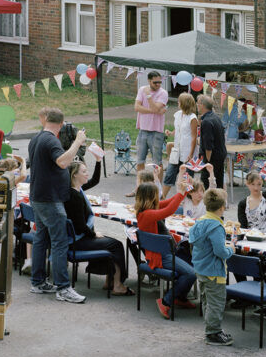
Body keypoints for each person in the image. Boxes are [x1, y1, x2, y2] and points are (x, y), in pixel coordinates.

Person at [28, 107, 88, 304]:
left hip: (38, 196)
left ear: (45, 120)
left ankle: (38, 282)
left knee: (40, 239)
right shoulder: (51, 140)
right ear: (61, 125)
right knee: (59, 243)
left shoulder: (36, 138)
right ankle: (63, 287)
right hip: (50, 200)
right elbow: (62, 162)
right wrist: (77, 142)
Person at [64, 149, 132, 296]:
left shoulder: (77, 189)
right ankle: (118, 284)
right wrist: (94, 233)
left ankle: (110, 281)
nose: (86, 173)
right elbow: (80, 226)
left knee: (110, 242)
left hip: (78, 238)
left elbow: (95, 180)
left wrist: (98, 161)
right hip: (78, 241)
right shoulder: (74, 197)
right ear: (75, 175)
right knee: (116, 244)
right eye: (84, 171)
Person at [136, 168, 197, 318]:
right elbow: (170, 209)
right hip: (161, 256)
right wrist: (181, 193)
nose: (159, 197)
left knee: (192, 261)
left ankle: (180, 297)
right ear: (151, 197)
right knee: (191, 274)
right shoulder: (147, 214)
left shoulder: (147, 209)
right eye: (157, 195)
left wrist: (180, 193)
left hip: (166, 252)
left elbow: (169, 203)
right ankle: (166, 300)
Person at [188, 188, 236, 346]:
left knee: (207, 300)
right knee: (216, 302)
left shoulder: (200, 222)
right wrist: (231, 249)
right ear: (222, 208)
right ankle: (213, 332)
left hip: (201, 268)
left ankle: (211, 328)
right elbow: (220, 251)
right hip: (214, 271)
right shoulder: (216, 226)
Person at [164, 93, 199, 198]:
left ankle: (188, 199)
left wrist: (191, 154)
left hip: (188, 151)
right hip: (177, 151)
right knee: (170, 174)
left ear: (184, 103)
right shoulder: (178, 114)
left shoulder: (193, 118)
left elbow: (194, 137)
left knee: (187, 178)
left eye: (179, 101)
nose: (178, 103)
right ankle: (162, 198)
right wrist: (171, 133)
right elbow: (179, 128)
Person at [134, 70, 168, 178]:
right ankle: (139, 188)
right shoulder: (141, 89)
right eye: (155, 82)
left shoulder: (163, 93)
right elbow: (136, 107)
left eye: (159, 82)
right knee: (140, 161)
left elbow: (155, 107)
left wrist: (148, 96)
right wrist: (155, 111)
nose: (158, 84)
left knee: (157, 162)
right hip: (143, 130)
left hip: (156, 132)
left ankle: (158, 190)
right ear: (149, 81)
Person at [197, 95, 228, 189]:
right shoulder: (216, 117)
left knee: (207, 184)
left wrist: (208, 161)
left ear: (202, 105)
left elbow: (208, 144)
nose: (197, 106)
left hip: (213, 158)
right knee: (218, 182)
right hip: (220, 154)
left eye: (198, 103)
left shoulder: (207, 121)